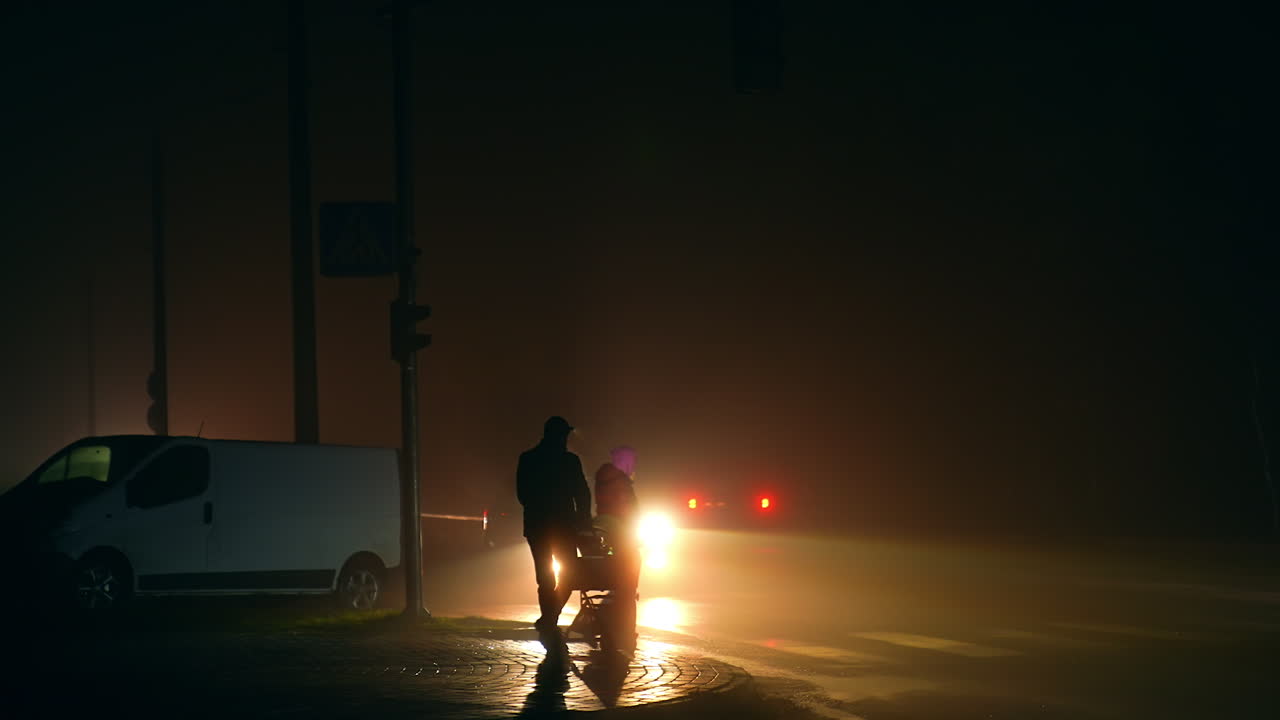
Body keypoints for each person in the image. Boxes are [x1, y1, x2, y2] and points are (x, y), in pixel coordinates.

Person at [517, 416, 591, 641]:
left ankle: (548, 616)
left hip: (537, 526)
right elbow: (582, 493)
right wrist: (583, 521)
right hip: (564, 527)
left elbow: (522, 494)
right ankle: (551, 615)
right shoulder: (570, 461)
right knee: (569, 574)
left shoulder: (528, 459)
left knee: (545, 576)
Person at [593, 445, 641, 653]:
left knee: (618, 586)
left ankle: (611, 624)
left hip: (608, 543)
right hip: (624, 544)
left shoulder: (603, 482)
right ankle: (625, 629)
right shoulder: (621, 485)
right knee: (628, 590)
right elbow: (629, 513)